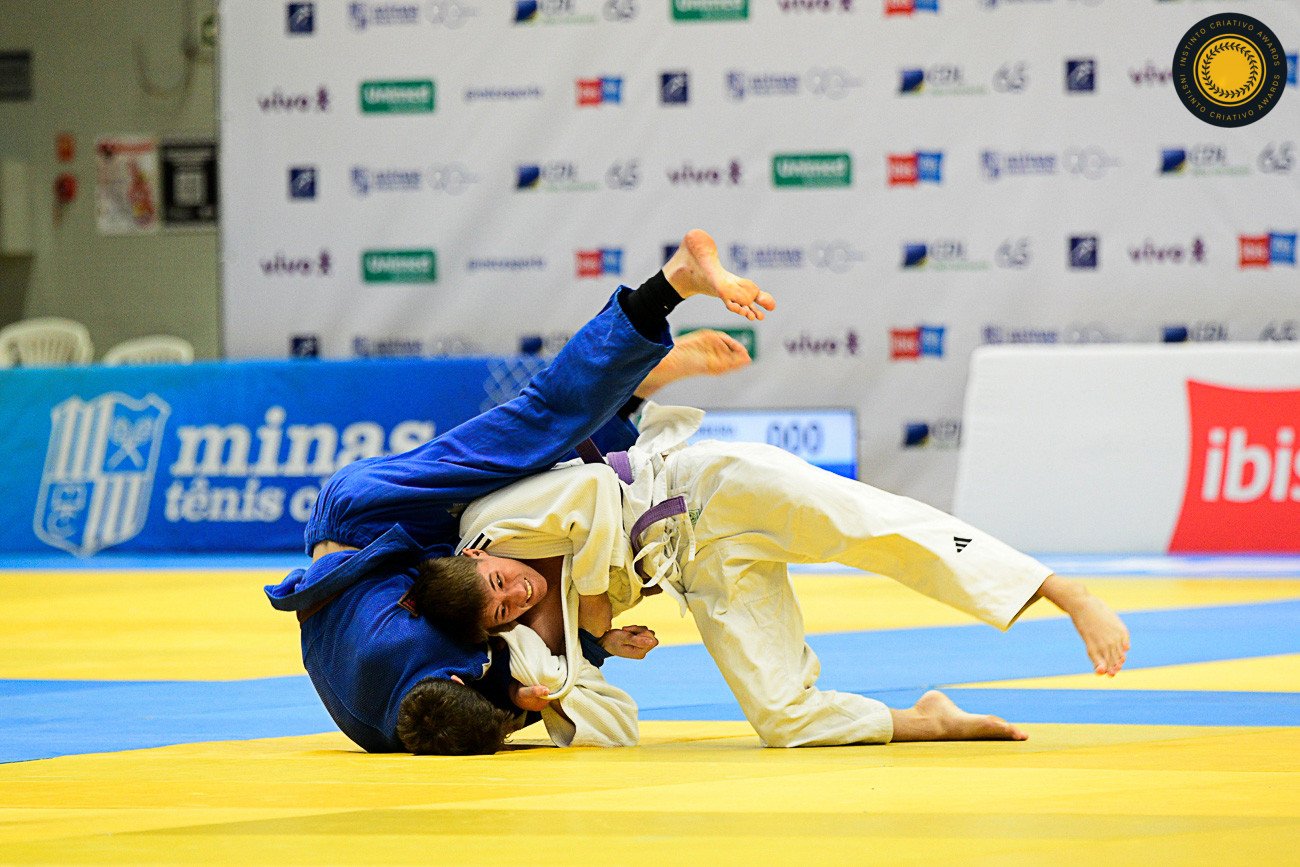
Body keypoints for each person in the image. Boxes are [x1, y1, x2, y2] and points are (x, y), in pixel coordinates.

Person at [263, 229, 774, 754]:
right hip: (403, 559)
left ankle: (672, 282)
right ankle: (635, 389)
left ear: (460, 682)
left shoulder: (402, 651)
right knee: (552, 491)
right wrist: (561, 670)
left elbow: (529, 657)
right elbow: (515, 690)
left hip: (371, 517)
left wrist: (588, 649)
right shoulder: (410, 726)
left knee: (536, 429)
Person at [409, 400, 1131, 751]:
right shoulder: (524, 637)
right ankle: (928, 719)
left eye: (502, 581)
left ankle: (1061, 590)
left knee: (871, 524)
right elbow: (614, 726)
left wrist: (592, 610)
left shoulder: (492, 516)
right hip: (697, 566)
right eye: (502, 610)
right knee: (781, 718)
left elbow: (597, 494)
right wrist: (574, 670)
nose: (518, 594)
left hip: (706, 485)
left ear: (478, 554)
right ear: (490, 631)